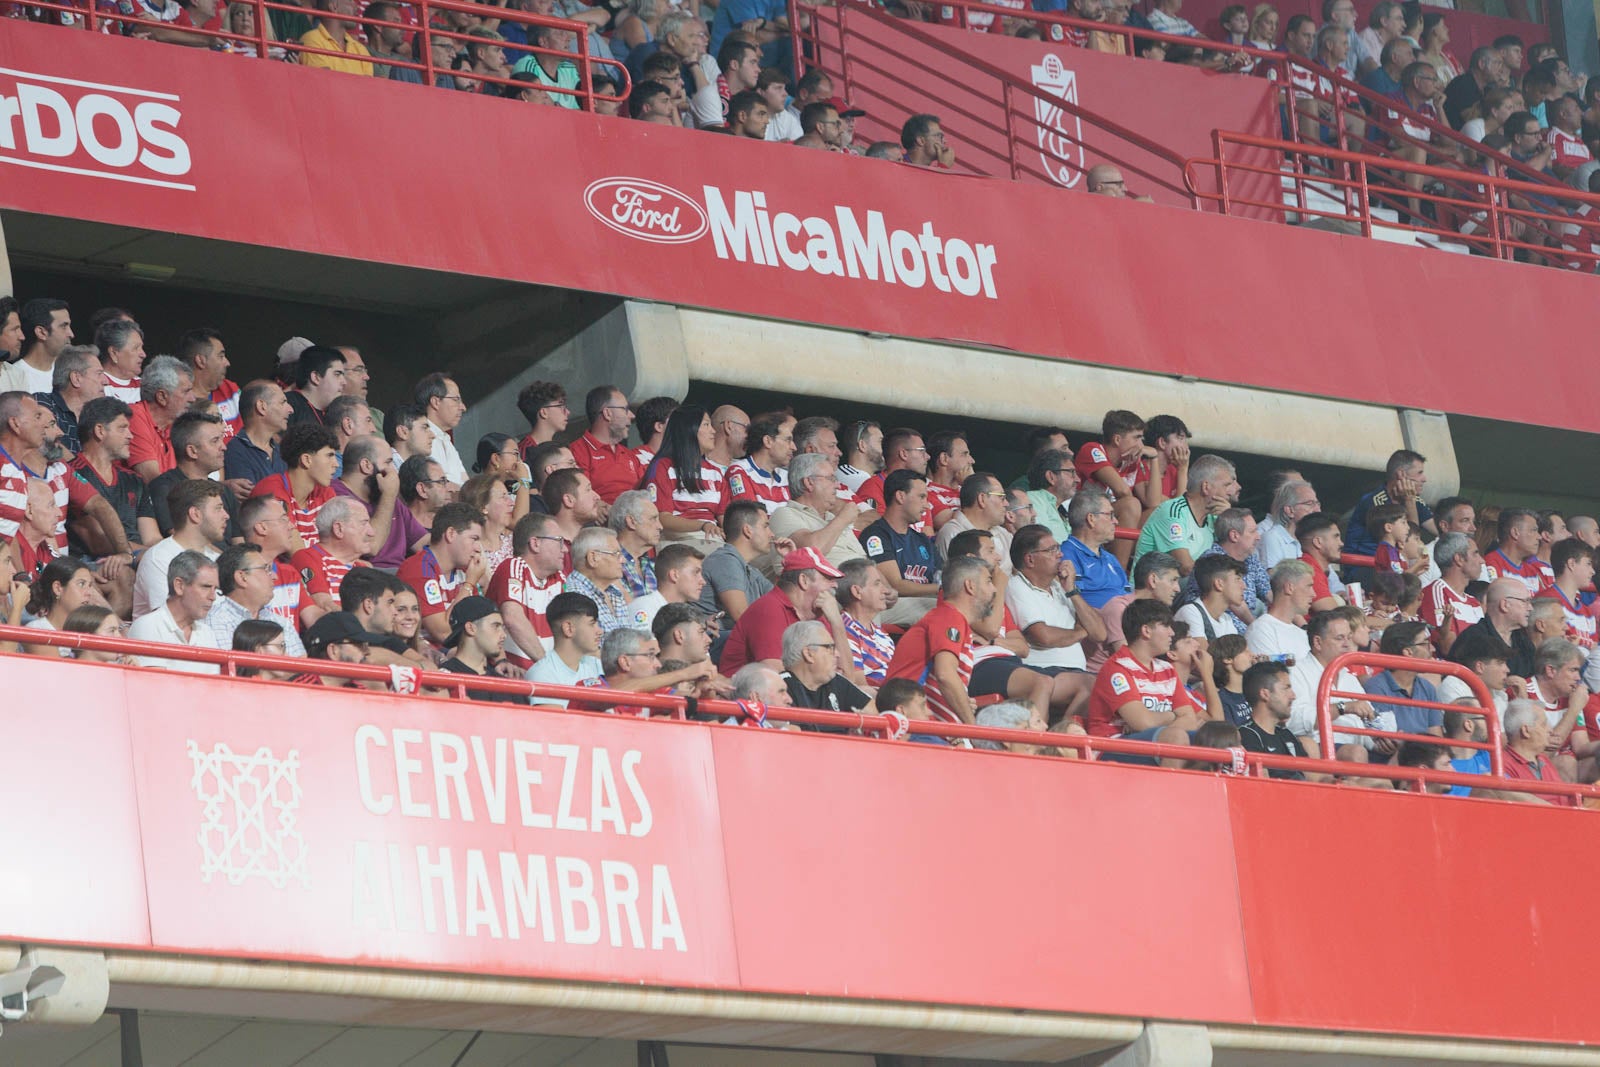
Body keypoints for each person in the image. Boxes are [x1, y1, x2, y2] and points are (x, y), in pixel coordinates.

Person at [1086, 598, 1208, 762]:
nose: (1172, 632)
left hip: (1151, 741)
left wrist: (1163, 723)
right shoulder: (1117, 669)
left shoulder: (1167, 669)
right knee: (1176, 737)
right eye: (1166, 626)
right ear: (1146, 631)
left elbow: (1190, 719)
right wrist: (1173, 716)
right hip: (1110, 746)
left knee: (1219, 739)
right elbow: (1143, 723)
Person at [883, 554, 996, 725]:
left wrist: (963, 701)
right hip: (912, 725)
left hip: (923, 723)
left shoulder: (952, 619)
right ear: (970, 586)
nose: (994, 589)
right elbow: (946, 676)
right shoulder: (949, 617)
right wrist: (972, 729)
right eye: (988, 581)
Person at [719, 547, 847, 676]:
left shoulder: (819, 614)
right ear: (804, 580)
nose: (835, 585)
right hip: (747, 693)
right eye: (828, 578)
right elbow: (777, 675)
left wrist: (837, 623)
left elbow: (849, 677)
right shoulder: (769, 609)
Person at [1131, 454, 1240, 575]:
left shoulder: (1214, 517)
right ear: (1206, 487)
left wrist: (1228, 518)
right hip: (1150, 592)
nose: (1230, 492)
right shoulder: (1173, 512)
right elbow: (1185, 567)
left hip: (1185, 590)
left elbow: (1239, 551)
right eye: (1226, 485)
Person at [132, 479, 226, 620]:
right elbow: (171, 619)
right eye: (218, 508)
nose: (226, 515)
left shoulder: (216, 559)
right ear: (195, 514)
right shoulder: (159, 558)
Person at [398, 501, 487, 646]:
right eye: (474, 539)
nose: (478, 548)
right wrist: (469, 584)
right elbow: (443, 634)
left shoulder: (466, 572)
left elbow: (481, 622)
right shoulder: (418, 569)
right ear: (451, 534)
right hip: (430, 657)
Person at [860, 469, 940, 625]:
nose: (927, 505)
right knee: (942, 610)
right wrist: (939, 589)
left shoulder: (922, 540)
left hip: (924, 601)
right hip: (893, 604)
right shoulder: (876, 535)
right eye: (922, 497)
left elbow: (942, 574)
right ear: (900, 496)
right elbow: (896, 585)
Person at [644, 406, 730, 549]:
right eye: (706, 425)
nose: (713, 431)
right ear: (688, 429)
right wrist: (702, 526)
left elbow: (724, 519)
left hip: (713, 540)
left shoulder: (715, 473)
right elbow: (662, 517)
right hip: (678, 542)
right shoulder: (663, 467)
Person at [147, 412, 241, 540]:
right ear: (192, 451)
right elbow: (181, 541)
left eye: (221, 440)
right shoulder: (165, 488)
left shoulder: (224, 492)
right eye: (215, 441)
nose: (224, 447)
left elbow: (238, 541)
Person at [127, 550, 222, 674]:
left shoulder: (207, 633)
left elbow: (214, 686)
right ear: (179, 586)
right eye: (206, 587)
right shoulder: (148, 626)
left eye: (215, 589)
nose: (213, 596)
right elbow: (155, 685)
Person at [248, 422, 339, 549]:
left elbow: (341, 545)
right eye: (329, 456)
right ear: (306, 460)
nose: (336, 464)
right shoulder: (271, 491)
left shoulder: (325, 492)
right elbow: (297, 554)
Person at [208, 542, 307, 656]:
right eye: (266, 569)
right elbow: (232, 669)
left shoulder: (281, 622)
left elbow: (301, 667)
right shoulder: (216, 622)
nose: (275, 576)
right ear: (242, 577)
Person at [770, 453, 863, 571]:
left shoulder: (832, 518)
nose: (838, 486)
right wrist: (843, 519)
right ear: (809, 482)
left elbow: (865, 561)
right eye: (831, 479)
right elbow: (811, 551)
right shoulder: (783, 514)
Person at [1363, 621, 1442, 753]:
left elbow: (1436, 737)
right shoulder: (1376, 687)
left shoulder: (1427, 688)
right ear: (1408, 652)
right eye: (1425, 644)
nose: (1432, 649)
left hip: (1424, 760)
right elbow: (1389, 742)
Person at [1343, 449, 1434, 563]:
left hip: (1391, 566)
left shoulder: (1415, 500)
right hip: (1364, 566)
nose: (1424, 479)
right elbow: (1408, 541)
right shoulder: (1374, 501)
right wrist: (1409, 501)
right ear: (1401, 474)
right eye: (1419, 473)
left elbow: (1438, 529)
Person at [779, 619, 872, 730]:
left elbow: (878, 716)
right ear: (809, 654)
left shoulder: (837, 682)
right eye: (830, 648)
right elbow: (792, 737)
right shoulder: (781, 687)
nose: (837, 654)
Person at [698, 499, 779, 624]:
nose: (772, 534)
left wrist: (788, 561)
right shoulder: (724, 560)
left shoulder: (752, 571)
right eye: (765, 526)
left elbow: (781, 605)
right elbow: (742, 617)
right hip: (714, 639)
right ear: (747, 530)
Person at [525, 591, 605, 707]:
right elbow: (556, 723)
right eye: (592, 624)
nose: (600, 631)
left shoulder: (597, 666)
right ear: (568, 629)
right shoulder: (543, 674)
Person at [436, 595, 523, 702]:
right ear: (471, 628)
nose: (504, 635)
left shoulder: (506, 685)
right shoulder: (443, 680)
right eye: (496, 626)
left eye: (503, 628)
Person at [127, 355, 197, 482]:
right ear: (162, 397)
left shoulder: (173, 425)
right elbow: (155, 482)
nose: (193, 398)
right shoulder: (134, 417)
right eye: (186, 391)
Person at [1450, 577, 1536, 680]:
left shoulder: (1524, 642)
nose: (1530, 608)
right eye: (1525, 601)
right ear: (1504, 605)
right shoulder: (1473, 639)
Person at [1236, 661, 1309, 778]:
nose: (1293, 696)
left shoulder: (1287, 734)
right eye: (1286, 688)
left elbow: (1314, 776)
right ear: (1265, 694)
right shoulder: (1246, 736)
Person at [1499, 698, 1576, 805]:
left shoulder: (1542, 759)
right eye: (1544, 724)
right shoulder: (1503, 765)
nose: (1550, 730)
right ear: (1526, 731)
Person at [1419, 531, 1483, 655]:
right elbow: (1447, 647)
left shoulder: (1474, 603)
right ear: (1459, 559)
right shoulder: (1436, 591)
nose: (1482, 561)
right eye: (1475, 554)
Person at [32, 344, 102, 456]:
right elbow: (46, 443)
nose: (106, 381)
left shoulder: (99, 417)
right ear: (76, 378)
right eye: (99, 374)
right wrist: (79, 471)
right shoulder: (41, 402)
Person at [563, 525, 633, 635]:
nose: (623, 560)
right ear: (593, 558)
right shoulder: (574, 596)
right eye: (616, 554)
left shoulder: (614, 592)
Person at [935, 472, 1011, 571]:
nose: (1006, 503)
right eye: (1001, 497)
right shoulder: (953, 533)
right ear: (982, 499)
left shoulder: (1003, 533)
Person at [836, 556, 894, 686]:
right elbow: (858, 687)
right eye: (877, 584)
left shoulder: (880, 632)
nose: (885, 591)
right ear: (857, 591)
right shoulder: (845, 630)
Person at [223, 379, 291, 488]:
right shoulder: (235, 451)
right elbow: (252, 499)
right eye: (282, 402)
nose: (290, 409)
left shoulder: (281, 451)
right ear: (261, 407)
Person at [623, 542, 702, 631]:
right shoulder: (644, 608)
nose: (703, 581)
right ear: (674, 575)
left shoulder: (688, 613)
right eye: (696, 572)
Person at [1246, 559, 1315, 661]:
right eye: (1308, 586)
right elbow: (1269, 675)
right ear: (1289, 588)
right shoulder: (1261, 630)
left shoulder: (1301, 634)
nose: (1313, 594)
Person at [0, 298, 72, 396]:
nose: (71, 334)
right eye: (63, 326)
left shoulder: (17, 375)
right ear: (41, 332)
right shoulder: (22, 374)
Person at [1536, 538, 1599, 648]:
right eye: (1588, 564)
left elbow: (1595, 653)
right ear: (1571, 564)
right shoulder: (1545, 602)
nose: (1592, 571)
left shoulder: (1587, 611)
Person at [727, 411, 793, 513]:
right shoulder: (739, 471)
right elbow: (752, 518)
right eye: (788, 440)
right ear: (768, 441)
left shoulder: (787, 476)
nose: (794, 447)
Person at [414, 372, 469, 487]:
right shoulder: (420, 437)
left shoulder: (445, 439)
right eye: (456, 399)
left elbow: (465, 483)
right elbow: (439, 487)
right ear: (436, 402)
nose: (463, 407)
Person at [607, 489, 662, 597]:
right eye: (653, 519)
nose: (660, 526)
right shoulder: (607, 562)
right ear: (631, 522)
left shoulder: (653, 565)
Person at [298, 0, 375, 75]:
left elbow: (368, 86)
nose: (357, 7)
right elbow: (324, 81)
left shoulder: (361, 50)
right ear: (334, 6)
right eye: (350, 1)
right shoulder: (312, 39)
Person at [1256, 479, 1319, 570]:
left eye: (1317, 504)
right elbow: (1274, 580)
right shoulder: (1272, 538)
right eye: (1310, 504)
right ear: (1289, 511)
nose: (1317, 510)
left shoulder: (1311, 540)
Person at [1482, 507, 1544, 595]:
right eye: (1533, 530)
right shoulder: (1491, 563)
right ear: (1515, 533)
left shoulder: (1532, 572)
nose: (1539, 537)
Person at [1297, 513, 1347, 612]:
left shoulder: (1311, 565)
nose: (1341, 543)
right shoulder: (1309, 570)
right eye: (1335, 537)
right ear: (1318, 542)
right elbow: (1339, 617)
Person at [95, 317, 145, 405]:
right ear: (113, 353)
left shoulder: (147, 387)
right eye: (136, 348)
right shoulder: (97, 387)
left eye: (141, 348)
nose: (143, 355)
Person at [516, 380, 569, 457]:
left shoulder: (559, 448)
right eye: (560, 406)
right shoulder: (523, 453)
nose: (567, 412)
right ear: (543, 412)